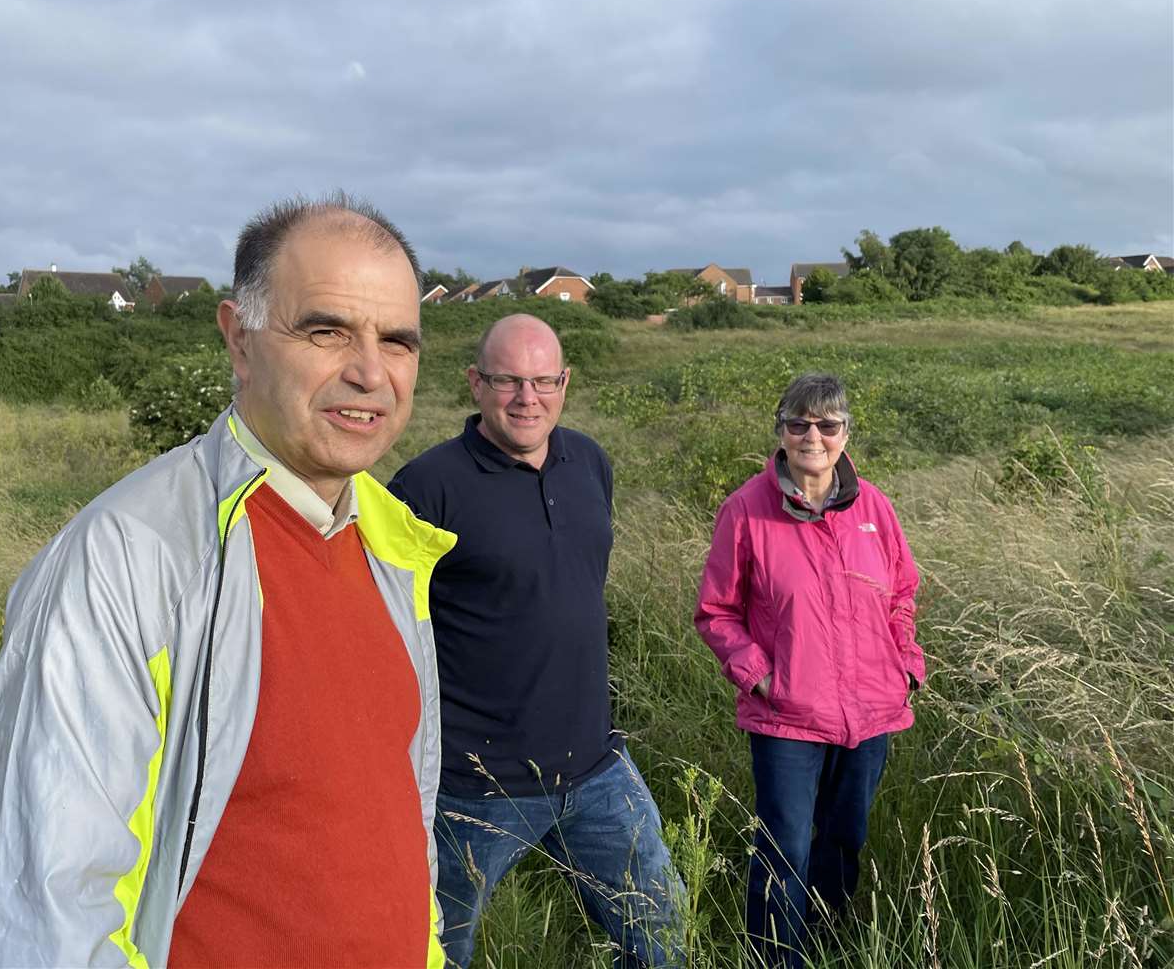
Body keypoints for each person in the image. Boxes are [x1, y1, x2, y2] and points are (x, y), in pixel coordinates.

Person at [0, 193, 457, 968]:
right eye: (325, 331)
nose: (370, 372)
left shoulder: (395, 551)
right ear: (240, 341)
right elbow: (43, 912)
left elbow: (396, 824)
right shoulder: (129, 556)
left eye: (398, 341)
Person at [388, 313, 685, 969]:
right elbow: (385, 630)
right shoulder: (425, 489)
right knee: (433, 947)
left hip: (596, 769)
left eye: (544, 381)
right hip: (475, 784)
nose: (528, 398)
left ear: (565, 382)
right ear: (475, 384)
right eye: (508, 381)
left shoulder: (589, 463)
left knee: (660, 933)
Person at [695, 372, 924, 969]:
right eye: (799, 424)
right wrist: (763, 677)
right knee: (785, 850)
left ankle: (824, 946)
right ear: (781, 433)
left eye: (827, 425)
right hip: (787, 718)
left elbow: (902, 592)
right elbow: (716, 612)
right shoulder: (746, 510)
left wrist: (904, 664)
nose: (813, 437)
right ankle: (775, 958)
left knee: (843, 841)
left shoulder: (873, 505)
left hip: (872, 711)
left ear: (846, 434)